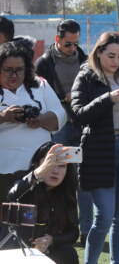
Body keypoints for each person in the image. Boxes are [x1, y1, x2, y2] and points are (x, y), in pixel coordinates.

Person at [71, 32, 119, 264]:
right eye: (111, 55)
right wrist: (109, 98)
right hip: (99, 150)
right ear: (98, 53)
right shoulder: (86, 75)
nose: (116, 61)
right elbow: (78, 115)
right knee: (104, 217)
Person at [34, 19, 92, 245]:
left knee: (84, 178)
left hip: (83, 123)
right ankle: (60, 227)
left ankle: (86, 230)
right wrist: (63, 99)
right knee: (60, 178)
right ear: (57, 40)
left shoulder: (86, 60)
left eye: (76, 44)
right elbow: (39, 97)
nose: (73, 48)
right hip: (60, 127)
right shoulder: (44, 63)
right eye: (68, 44)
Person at [0, 42, 67, 206]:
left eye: (19, 70)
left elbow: (61, 115)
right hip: (3, 169)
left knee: (35, 220)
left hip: (37, 169)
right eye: (8, 70)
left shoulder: (39, 85)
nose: (14, 75)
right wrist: (3, 117)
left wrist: (41, 120)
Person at [1, 142, 78, 264]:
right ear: (38, 165)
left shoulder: (65, 193)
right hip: (16, 247)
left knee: (68, 252)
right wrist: (38, 174)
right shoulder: (22, 180)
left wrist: (51, 240)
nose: (56, 171)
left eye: (62, 166)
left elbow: (73, 233)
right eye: (50, 164)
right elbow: (12, 196)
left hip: (46, 250)